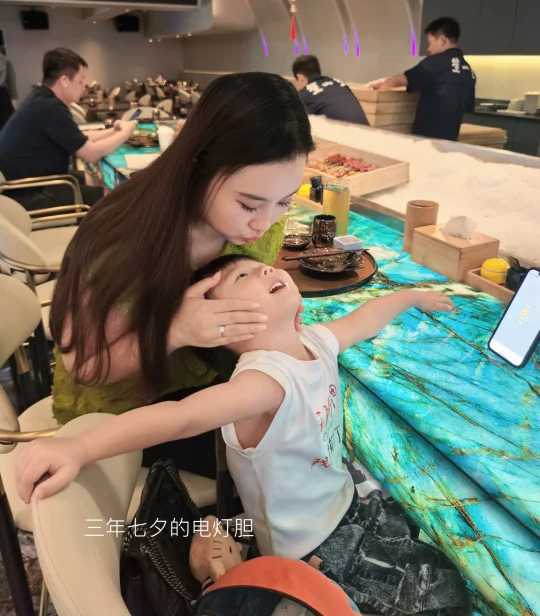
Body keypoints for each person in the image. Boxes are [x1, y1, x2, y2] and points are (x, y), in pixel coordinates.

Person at [16, 254, 467, 614]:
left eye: (262, 266)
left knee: (440, 559)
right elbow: (179, 417)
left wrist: (411, 296)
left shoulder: (314, 341)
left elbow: (364, 320)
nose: (266, 270)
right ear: (222, 326)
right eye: (244, 276)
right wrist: (80, 447)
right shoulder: (261, 383)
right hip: (310, 547)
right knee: (443, 596)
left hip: (344, 506)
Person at [47, 72, 314, 479]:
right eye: (248, 205)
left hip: (209, 388)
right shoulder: (123, 244)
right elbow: (87, 366)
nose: (263, 224)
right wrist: (174, 331)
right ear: (197, 166)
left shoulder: (260, 224)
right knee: (284, 462)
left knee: (307, 426)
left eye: (284, 202)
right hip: (123, 415)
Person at [0, 47, 136, 210]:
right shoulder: (50, 108)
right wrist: (126, 133)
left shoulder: (41, 98)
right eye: (81, 81)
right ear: (64, 80)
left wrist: (113, 131)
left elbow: (77, 137)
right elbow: (91, 154)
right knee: (113, 197)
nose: (84, 87)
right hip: (27, 193)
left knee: (90, 177)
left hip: (29, 183)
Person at [365, 17, 476, 141]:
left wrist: (382, 82)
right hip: (450, 140)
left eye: (430, 43)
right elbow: (466, 107)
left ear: (442, 40)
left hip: (427, 140)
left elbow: (404, 79)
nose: (429, 49)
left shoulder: (435, 62)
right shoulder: (468, 71)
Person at [292, 55, 369, 125]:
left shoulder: (305, 94)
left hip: (345, 134)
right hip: (369, 132)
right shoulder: (339, 83)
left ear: (300, 78)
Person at [0, 49, 17, 131]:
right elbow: (11, 80)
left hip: (2, 96)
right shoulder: (4, 59)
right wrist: (13, 96)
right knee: (8, 126)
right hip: (2, 95)